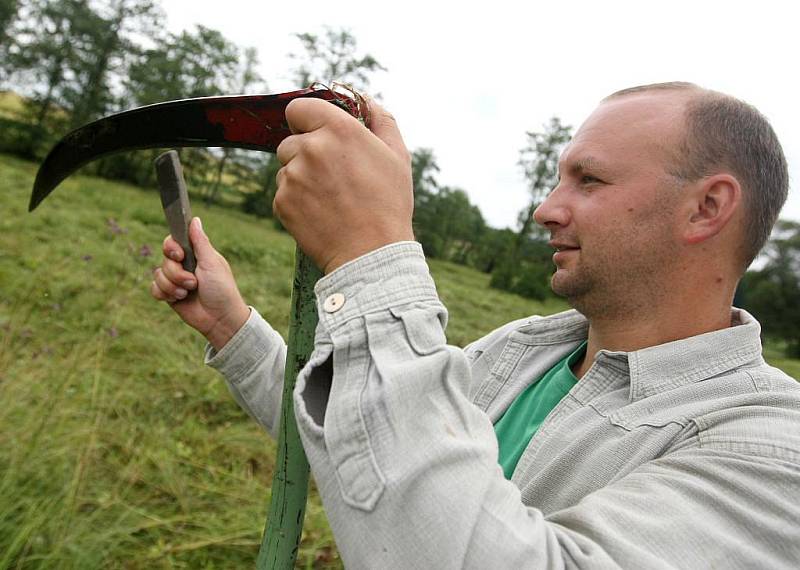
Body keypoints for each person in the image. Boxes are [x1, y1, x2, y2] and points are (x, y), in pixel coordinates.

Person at [150, 82, 800, 568]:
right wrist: (229, 323)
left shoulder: (771, 449)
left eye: (589, 180)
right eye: (556, 180)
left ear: (707, 207)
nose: (547, 208)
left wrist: (369, 252)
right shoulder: (524, 353)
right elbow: (372, 445)